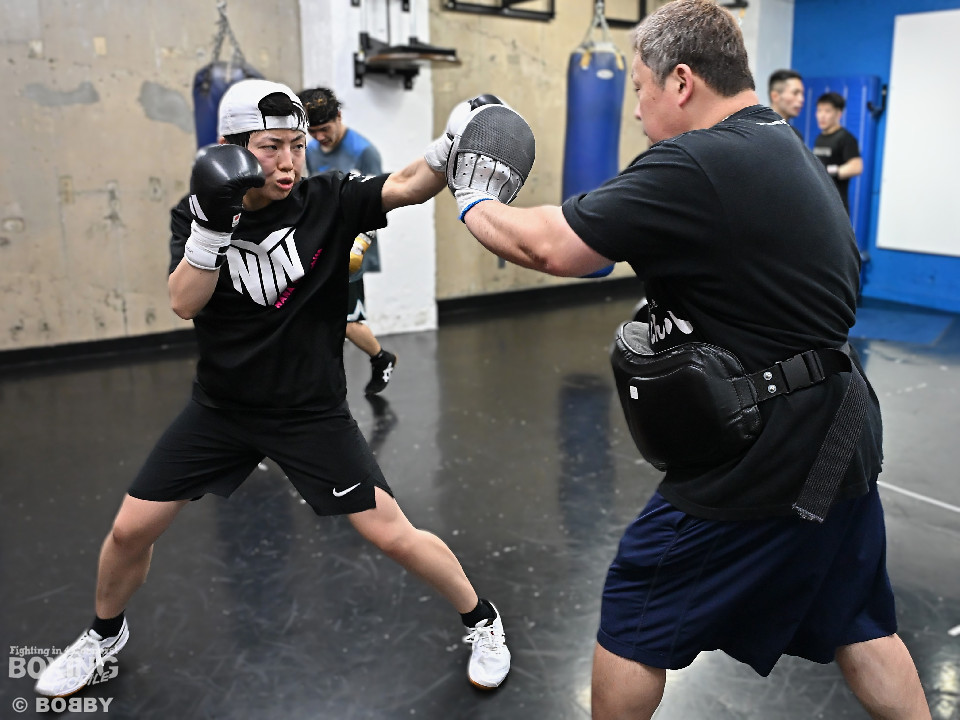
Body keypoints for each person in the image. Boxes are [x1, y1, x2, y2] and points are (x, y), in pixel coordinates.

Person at [445, 1, 931, 718]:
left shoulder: (699, 161)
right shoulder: (780, 142)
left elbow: (551, 247)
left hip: (774, 448)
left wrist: (471, 194)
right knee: (857, 619)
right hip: (842, 426)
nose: (636, 109)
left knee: (635, 609)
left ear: (680, 81)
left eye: (640, 89)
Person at [33, 79, 510, 699]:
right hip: (221, 410)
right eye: (270, 147)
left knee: (391, 532)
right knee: (129, 531)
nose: (288, 162)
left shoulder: (329, 199)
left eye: (297, 145)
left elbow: (406, 184)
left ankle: (483, 620)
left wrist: (451, 144)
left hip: (309, 412)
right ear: (232, 148)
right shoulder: (196, 212)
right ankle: (104, 633)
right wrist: (212, 229)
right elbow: (184, 302)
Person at [298, 86, 396, 395]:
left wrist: (359, 245)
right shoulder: (311, 150)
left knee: (347, 320)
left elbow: (379, 203)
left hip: (350, 244)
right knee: (315, 313)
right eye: (313, 132)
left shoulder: (364, 152)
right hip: (322, 242)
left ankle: (381, 358)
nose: (319, 137)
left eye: (324, 129)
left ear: (339, 117)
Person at [814, 91, 863, 214]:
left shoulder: (846, 138)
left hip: (837, 207)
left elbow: (856, 167)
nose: (822, 115)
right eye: (819, 110)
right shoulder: (819, 138)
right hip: (819, 204)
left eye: (827, 111)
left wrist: (830, 171)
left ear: (838, 114)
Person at [768, 68, 805, 138]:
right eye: (795, 93)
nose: (801, 99)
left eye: (802, 94)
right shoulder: (757, 131)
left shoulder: (795, 136)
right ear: (775, 96)